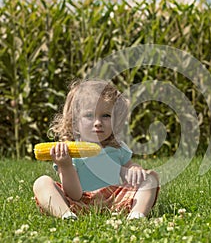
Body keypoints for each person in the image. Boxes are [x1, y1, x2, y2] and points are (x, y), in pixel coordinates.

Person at [33, 79, 159, 220]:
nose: (98, 123)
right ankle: (66, 215)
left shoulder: (117, 147)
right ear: (75, 122)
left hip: (114, 201)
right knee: (42, 182)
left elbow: (129, 167)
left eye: (105, 116)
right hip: (79, 203)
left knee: (150, 177)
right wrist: (66, 165)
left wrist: (135, 169)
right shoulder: (67, 152)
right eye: (89, 115)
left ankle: (136, 214)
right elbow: (74, 194)